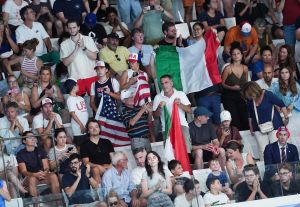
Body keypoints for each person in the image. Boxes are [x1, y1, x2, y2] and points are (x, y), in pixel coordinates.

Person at [242, 81, 288, 160]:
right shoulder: (250, 100)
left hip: (275, 124)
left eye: (249, 94)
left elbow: (281, 104)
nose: (249, 97)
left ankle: (281, 168)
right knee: (263, 150)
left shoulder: (268, 94)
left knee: (276, 147)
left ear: (253, 91)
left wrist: (286, 118)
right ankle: (265, 169)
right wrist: (251, 127)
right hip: (258, 127)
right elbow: (250, 114)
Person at [90, 61, 130, 147]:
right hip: (100, 116)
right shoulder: (93, 84)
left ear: (106, 69)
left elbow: (119, 97)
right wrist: (97, 111)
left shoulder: (113, 81)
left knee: (114, 134)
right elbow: (92, 102)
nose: (99, 70)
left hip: (112, 114)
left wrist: (109, 93)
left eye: (101, 68)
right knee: (102, 136)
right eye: (97, 69)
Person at [153, 75, 192, 154]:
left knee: (184, 153)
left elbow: (189, 110)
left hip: (181, 125)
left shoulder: (180, 94)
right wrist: (159, 107)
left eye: (166, 82)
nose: (164, 85)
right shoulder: (158, 97)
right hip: (167, 128)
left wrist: (180, 104)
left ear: (171, 83)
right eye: (162, 83)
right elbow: (155, 116)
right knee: (170, 154)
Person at [16, 131, 60, 198]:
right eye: (29, 137)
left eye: (33, 137)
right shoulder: (20, 154)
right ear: (24, 141)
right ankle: (36, 205)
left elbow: (46, 167)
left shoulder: (40, 150)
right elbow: (23, 171)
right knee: (32, 179)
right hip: (29, 177)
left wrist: (44, 172)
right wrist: (34, 174)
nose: (33, 139)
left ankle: (59, 204)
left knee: (53, 176)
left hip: (42, 175)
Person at [60, 20, 98, 96]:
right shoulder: (64, 44)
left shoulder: (88, 39)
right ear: (67, 29)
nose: (72, 30)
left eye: (74, 27)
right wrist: (76, 49)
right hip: (75, 79)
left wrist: (84, 48)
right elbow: (65, 63)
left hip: (91, 76)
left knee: (95, 103)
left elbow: (94, 57)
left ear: (78, 28)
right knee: (79, 105)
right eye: (70, 28)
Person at [269, 66, 300, 149]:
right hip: (282, 113)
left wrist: (293, 105)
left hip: (295, 112)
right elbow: (269, 96)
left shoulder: (296, 84)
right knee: (286, 133)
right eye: (282, 73)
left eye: (286, 72)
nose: (284, 75)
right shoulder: (275, 85)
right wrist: (276, 105)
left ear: (290, 74)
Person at [221, 41, 249, 130]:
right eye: (234, 54)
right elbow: (222, 84)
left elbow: (246, 83)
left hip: (241, 96)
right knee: (235, 120)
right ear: (231, 56)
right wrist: (232, 87)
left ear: (241, 55)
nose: (236, 55)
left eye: (238, 53)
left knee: (245, 119)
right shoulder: (227, 68)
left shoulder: (245, 68)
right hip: (229, 97)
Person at [80, 119, 115, 184]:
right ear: (88, 131)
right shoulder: (84, 145)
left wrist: (110, 166)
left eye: (96, 127)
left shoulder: (107, 142)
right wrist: (99, 166)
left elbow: (113, 157)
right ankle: (100, 192)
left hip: (108, 166)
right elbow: (86, 162)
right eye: (91, 127)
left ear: (99, 129)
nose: (94, 129)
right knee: (95, 169)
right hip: (95, 169)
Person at [65, 78, 89, 149]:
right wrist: (81, 125)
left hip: (85, 125)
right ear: (73, 87)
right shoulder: (70, 99)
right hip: (78, 127)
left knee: (87, 145)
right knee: (80, 146)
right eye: (77, 85)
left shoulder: (80, 98)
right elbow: (72, 113)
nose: (78, 86)